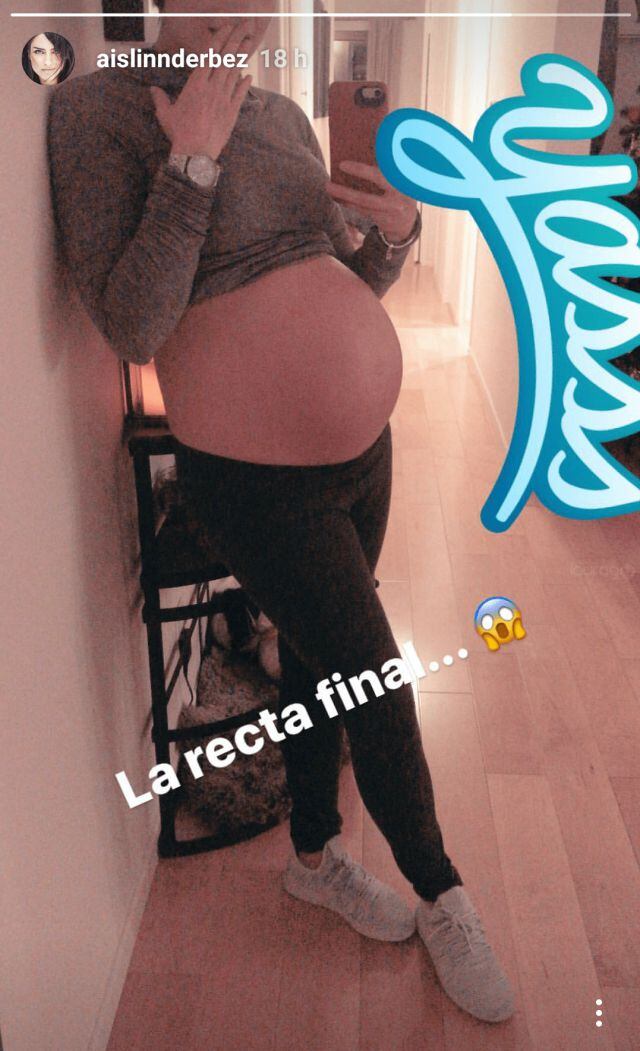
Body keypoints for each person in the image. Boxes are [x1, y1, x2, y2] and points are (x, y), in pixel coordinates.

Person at [47, 0, 514, 1025]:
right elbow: (131, 323)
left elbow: (346, 279)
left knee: (316, 660)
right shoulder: (95, 113)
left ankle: (314, 857)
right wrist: (191, 162)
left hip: (363, 456)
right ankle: (441, 891)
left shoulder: (287, 117)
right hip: (252, 481)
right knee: (376, 680)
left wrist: (398, 236)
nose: (248, 12)